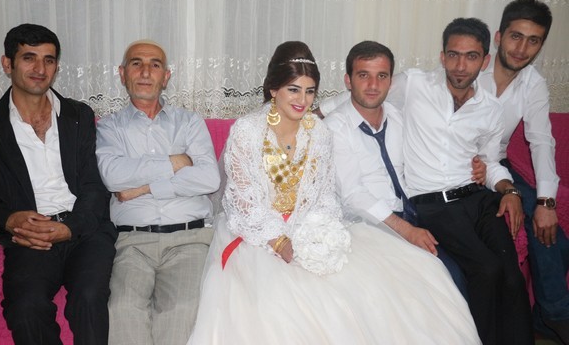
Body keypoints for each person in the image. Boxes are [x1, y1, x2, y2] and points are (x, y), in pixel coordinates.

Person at [187, 41, 481, 344]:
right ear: (274, 89)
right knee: (282, 305)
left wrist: (319, 234)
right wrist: (280, 240)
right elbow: (243, 201)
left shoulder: (318, 132)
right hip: (257, 236)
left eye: (310, 91)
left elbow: (325, 196)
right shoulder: (248, 131)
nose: (302, 100)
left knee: (401, 280)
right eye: (293, 89)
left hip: (306, 228)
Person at [385, 18, 533, 345]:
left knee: (511, 275)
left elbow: (489, 162)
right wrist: (315, 112)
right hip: (433, 203)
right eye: (453, 55)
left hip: (478, 199)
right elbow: (367, 93)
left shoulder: (490, 108)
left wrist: (509, 190)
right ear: (442, 56)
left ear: (485, 60)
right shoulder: (414, 84)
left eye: (471, 56)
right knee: (486, 269)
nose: (460, 66)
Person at [0, 23, 117, 345]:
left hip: (85, 231)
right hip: (30, 237)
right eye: (29, 58)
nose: (40, 69)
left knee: (89, 298)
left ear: (56, 67)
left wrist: (70, 228)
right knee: (26, 308)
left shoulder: (78, 116)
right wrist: (9, 219)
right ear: (7, 64)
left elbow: (94, 186)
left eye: (48, 60)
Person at [324, 40, 489, 298]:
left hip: (415, 212)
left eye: (382, 76)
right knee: (431, 284)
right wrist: (406, 230)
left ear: (391, 81)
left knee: (465, 273)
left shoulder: (399, 116)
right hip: (368, 225)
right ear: (348, 81)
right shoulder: (334, 128)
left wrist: (480, 163)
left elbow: (438, 148)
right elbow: (353, 195)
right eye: (363, 75)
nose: (373, 85)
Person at [95, 40, 220, 345]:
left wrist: (144, 187)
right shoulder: (109, 128)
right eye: (136, 63)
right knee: (121, 308)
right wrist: (176, 162)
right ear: (122, 73)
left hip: (190, 240)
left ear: (166, 77)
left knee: (181, 309)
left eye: (155, 65)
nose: (145, 72)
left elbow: (208, 179)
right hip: (132, 242)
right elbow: (113, 176)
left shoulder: (189, 123)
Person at [478, 0, 569, 343]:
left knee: (552, 231)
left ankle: (549, 317)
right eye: (516, 36)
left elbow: (542, 140)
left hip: (498, 166)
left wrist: (546, 202)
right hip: (460, 168)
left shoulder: (533, 83)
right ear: (499, 36)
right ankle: (556, 317)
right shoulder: (471, 68)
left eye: (533, 41)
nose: (522, 49)